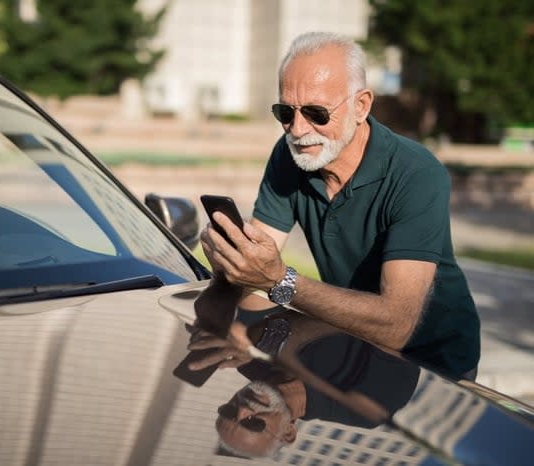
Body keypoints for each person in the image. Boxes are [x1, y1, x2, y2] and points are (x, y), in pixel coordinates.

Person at [199, 31, 480, 381]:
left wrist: (278, 279)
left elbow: (396, 325)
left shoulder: (417, 173)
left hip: (432, 364)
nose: (298, 129)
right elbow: (255, 276)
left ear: (361, 106)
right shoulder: (290, 155)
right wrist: (233, 261)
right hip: (353, 342)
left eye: (317, 113)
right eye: (285, 112)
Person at [188, 311, 420, 459]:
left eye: (228, 411)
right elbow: (396, 321)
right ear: (289, 432)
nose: (242, 409)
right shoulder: (367, 410)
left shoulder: (245, 362)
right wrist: (268, 335)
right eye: (254, 424)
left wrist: (212, 323)